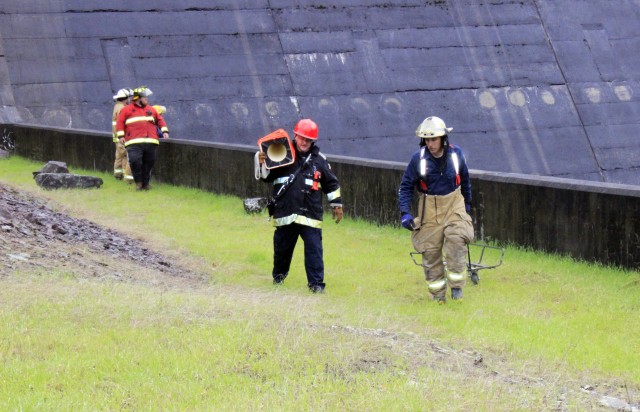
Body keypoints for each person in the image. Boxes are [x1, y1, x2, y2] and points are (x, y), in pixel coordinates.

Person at [254, 119, 343, 293]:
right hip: (286, 212)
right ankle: (278, 278)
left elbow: (331, 184)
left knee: (314, 251)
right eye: (302, 138)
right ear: (295, 136)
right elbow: (266, 177)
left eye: (308, 140)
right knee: (281, 250)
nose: (304, 142)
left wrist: (336, 204)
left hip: (310, 215)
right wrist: (261, 161)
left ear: (313, 142)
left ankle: (316, 285)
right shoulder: (281, 152)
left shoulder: (320, 160)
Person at [398, 116, 474, 303]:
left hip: (454, 203)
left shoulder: (456, 155)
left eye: (433, 139)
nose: (430, 144)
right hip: (429, 208)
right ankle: (438, 296)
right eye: (426, 140)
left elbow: (465, 180)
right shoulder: (418, 159)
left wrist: (467, 205)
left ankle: (457, 288)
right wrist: (405, 213)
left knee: (456, 239)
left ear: (443, 139)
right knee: (430, 252)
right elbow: (406, 186)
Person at [115, 87, 169, 191]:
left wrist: (165, 131)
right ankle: (138, 183)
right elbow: (120, 123)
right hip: (133, 142)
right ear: (138, 98)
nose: (147, 99)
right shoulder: (126, 110)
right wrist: (121, 136)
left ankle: (145, 184)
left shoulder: (151, 109)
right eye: (145, 97)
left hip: (151, 142)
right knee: (135, 162)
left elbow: (160, 120)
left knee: (149, 163)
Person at [111, 88, 134, 183]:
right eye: (129, 98)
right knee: (126, 157)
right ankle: (128, 178)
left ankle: (118, 175)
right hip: (122, 137)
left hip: (117, 137)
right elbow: (123, 123)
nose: (130, 99)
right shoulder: (122, 108)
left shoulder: (117, 106)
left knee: (119, 156)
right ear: (125, 98)